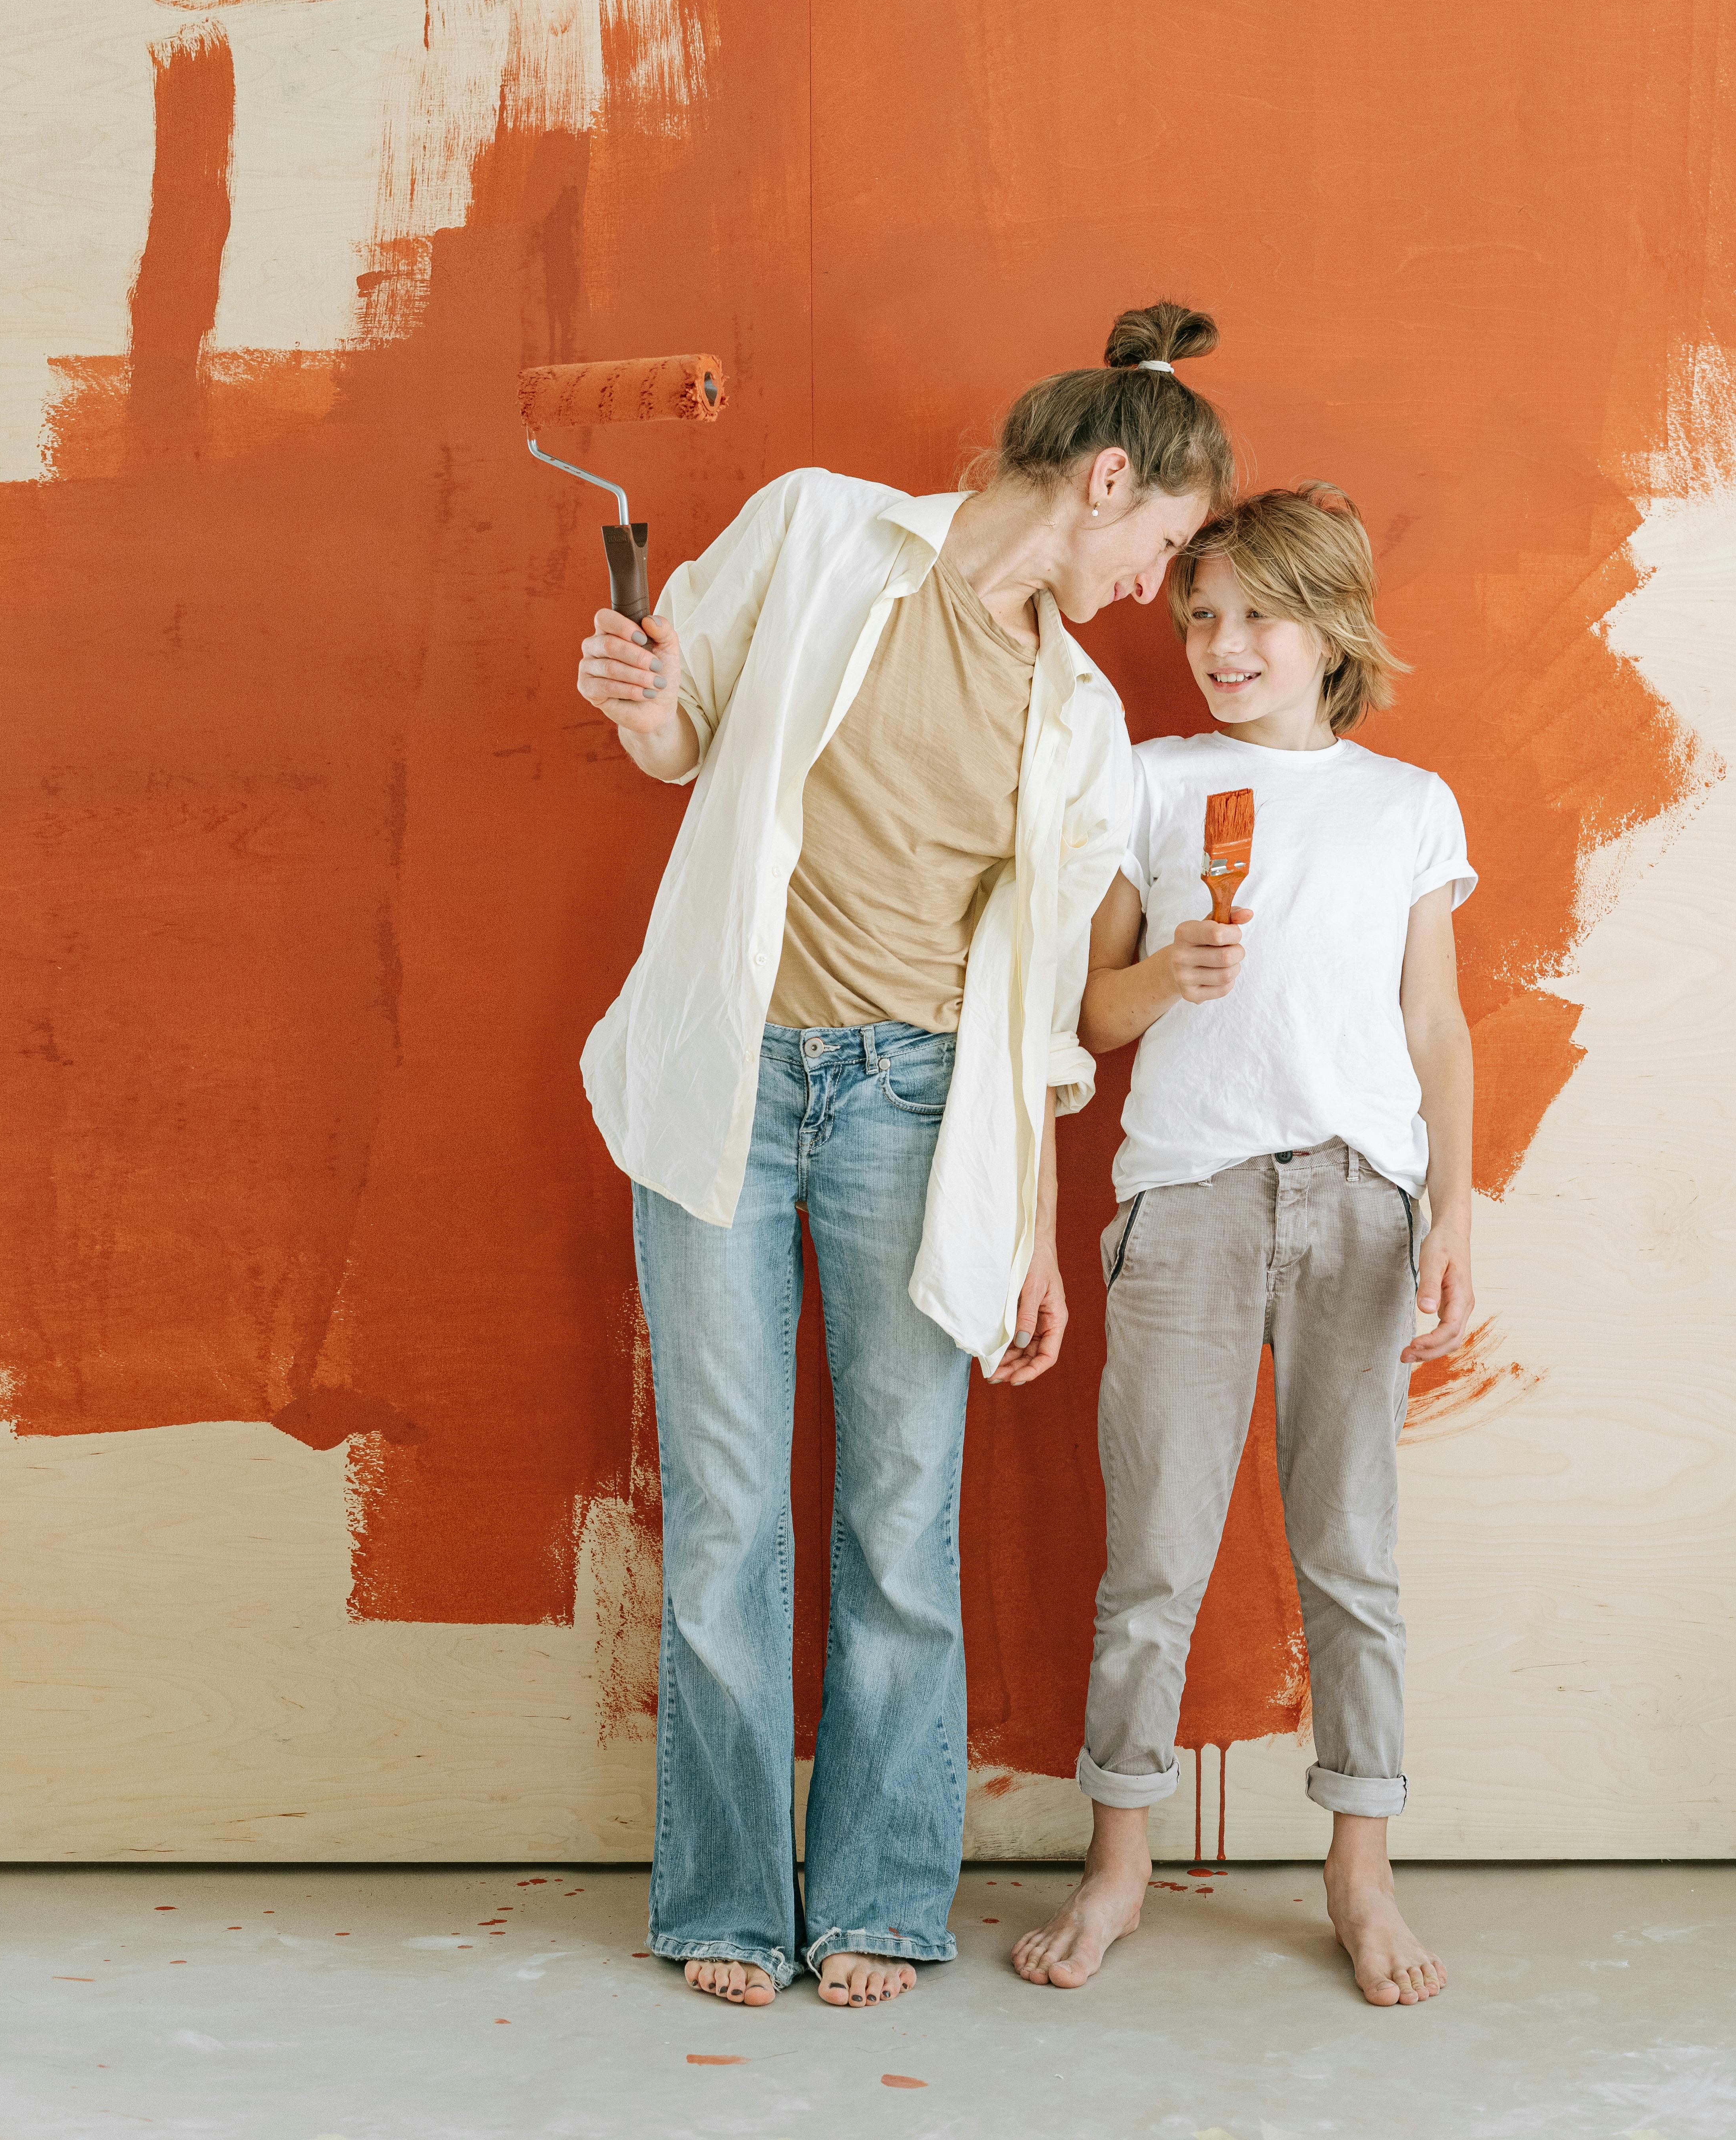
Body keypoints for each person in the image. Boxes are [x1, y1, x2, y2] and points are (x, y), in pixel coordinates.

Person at [574, 306, 1234, 2010]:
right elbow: (682, 724)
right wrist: (633, 690)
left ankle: (873, 1890)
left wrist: (1021, 1217)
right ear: (1103, 481)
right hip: (728, 1076)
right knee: (724, 1514)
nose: (1152, 590)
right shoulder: (816, 528)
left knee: (897, 1517)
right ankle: (724, 1895)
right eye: (1159, 546)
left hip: (919, 1112)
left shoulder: (1076, 715)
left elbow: (1033, 1007)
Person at [1012, 482, 1476, 2009]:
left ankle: (1360, 1868)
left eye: (1254, 615)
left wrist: (1450, 1207)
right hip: (1189, 1201)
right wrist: (1170, 972)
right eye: (1198, 612)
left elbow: (1432, 1022)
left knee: (1352, 1553)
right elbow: (1092, 1013)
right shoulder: (1148, 781)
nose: (1217, 643)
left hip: (1361, 1197)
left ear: (1330, 625)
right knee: (1151, 1556)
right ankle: (1120, 1862)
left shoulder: (1407, 803)